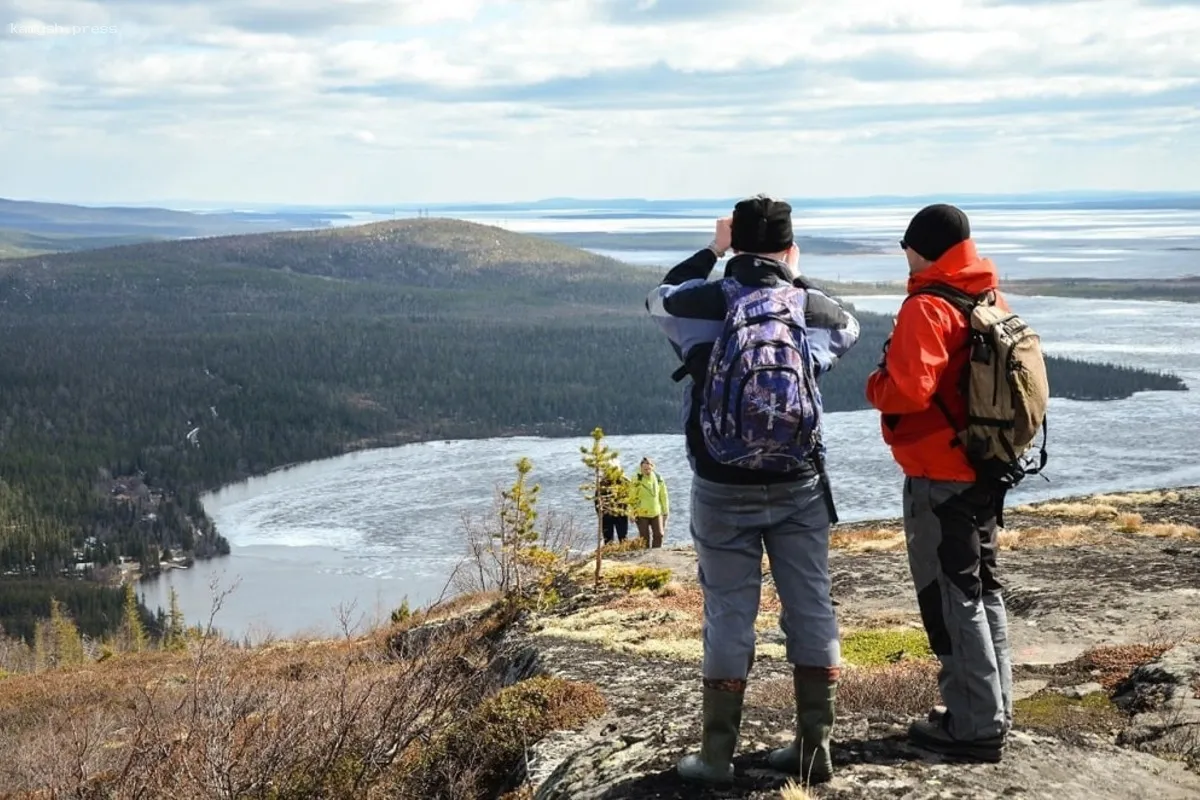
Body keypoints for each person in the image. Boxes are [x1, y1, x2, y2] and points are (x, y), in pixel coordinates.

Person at [646, 195, 860, 785]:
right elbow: (849, 325)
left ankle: (716, 758)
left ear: (735, 241)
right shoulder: (812, 310)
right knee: (811, 605)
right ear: (789, 247)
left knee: (728, 613)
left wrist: (714, 253)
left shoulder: (701, 303)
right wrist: (791, 277)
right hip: (798, 482)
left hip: (721, 484)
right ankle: (814, 751)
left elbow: (657, 297)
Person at [865, 203, 1013, 763]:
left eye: (907, 246)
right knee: (984, 593)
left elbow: (907, 391)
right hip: (983, 471)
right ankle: (993, 710)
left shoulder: (929, 307)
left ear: (922, 248)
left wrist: (874, 386)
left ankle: (974, 725)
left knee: (951, 600)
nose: (904, 256)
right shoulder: (988, 297)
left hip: (938, 474)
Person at [631, 457, 669, 548]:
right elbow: (631, 497)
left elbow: (663, 495)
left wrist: (665, 511)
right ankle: (646, 557)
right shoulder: (636, 478)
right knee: (645, 538)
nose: (647, 471)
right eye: (644, 469)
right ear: (641, 468)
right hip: (642, 513)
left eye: (648, 468)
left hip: (656, 512)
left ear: (652, 467)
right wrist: (631, 512)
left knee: (659, 534)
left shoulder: (658, 478)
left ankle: (656, 554)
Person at [595, 463, 630, 545]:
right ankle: (610, 554)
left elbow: (632, 496)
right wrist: (600, 514)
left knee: (623, 537)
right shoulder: (602, 483)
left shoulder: (624, 481)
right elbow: (597, 500)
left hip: (621, 513)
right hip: (606, 515)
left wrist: (629, 510)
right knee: (608, 539)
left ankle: (624, 553)